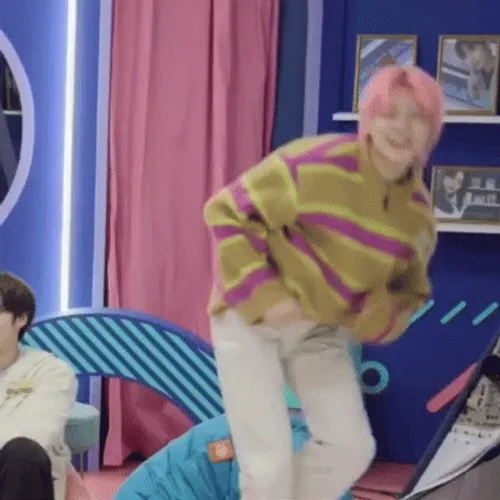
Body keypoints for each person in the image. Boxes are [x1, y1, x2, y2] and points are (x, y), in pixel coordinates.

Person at [203, 65, 444, 499]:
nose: (402, 127)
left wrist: (382, 316)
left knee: (351, 449)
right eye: (391, 113)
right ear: (369, 117)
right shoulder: (317, 163)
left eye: (417, 116)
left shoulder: (417, 217)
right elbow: (227, 211)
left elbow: (409, 293)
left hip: (320, 331)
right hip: (247, 318)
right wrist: (266, 294)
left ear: (433, 129)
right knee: (268, 464)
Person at [0, 272, 77, 500]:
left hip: (15, 482)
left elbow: (33, 435)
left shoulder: (52, 372)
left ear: (21, 318)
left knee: (22, 452)